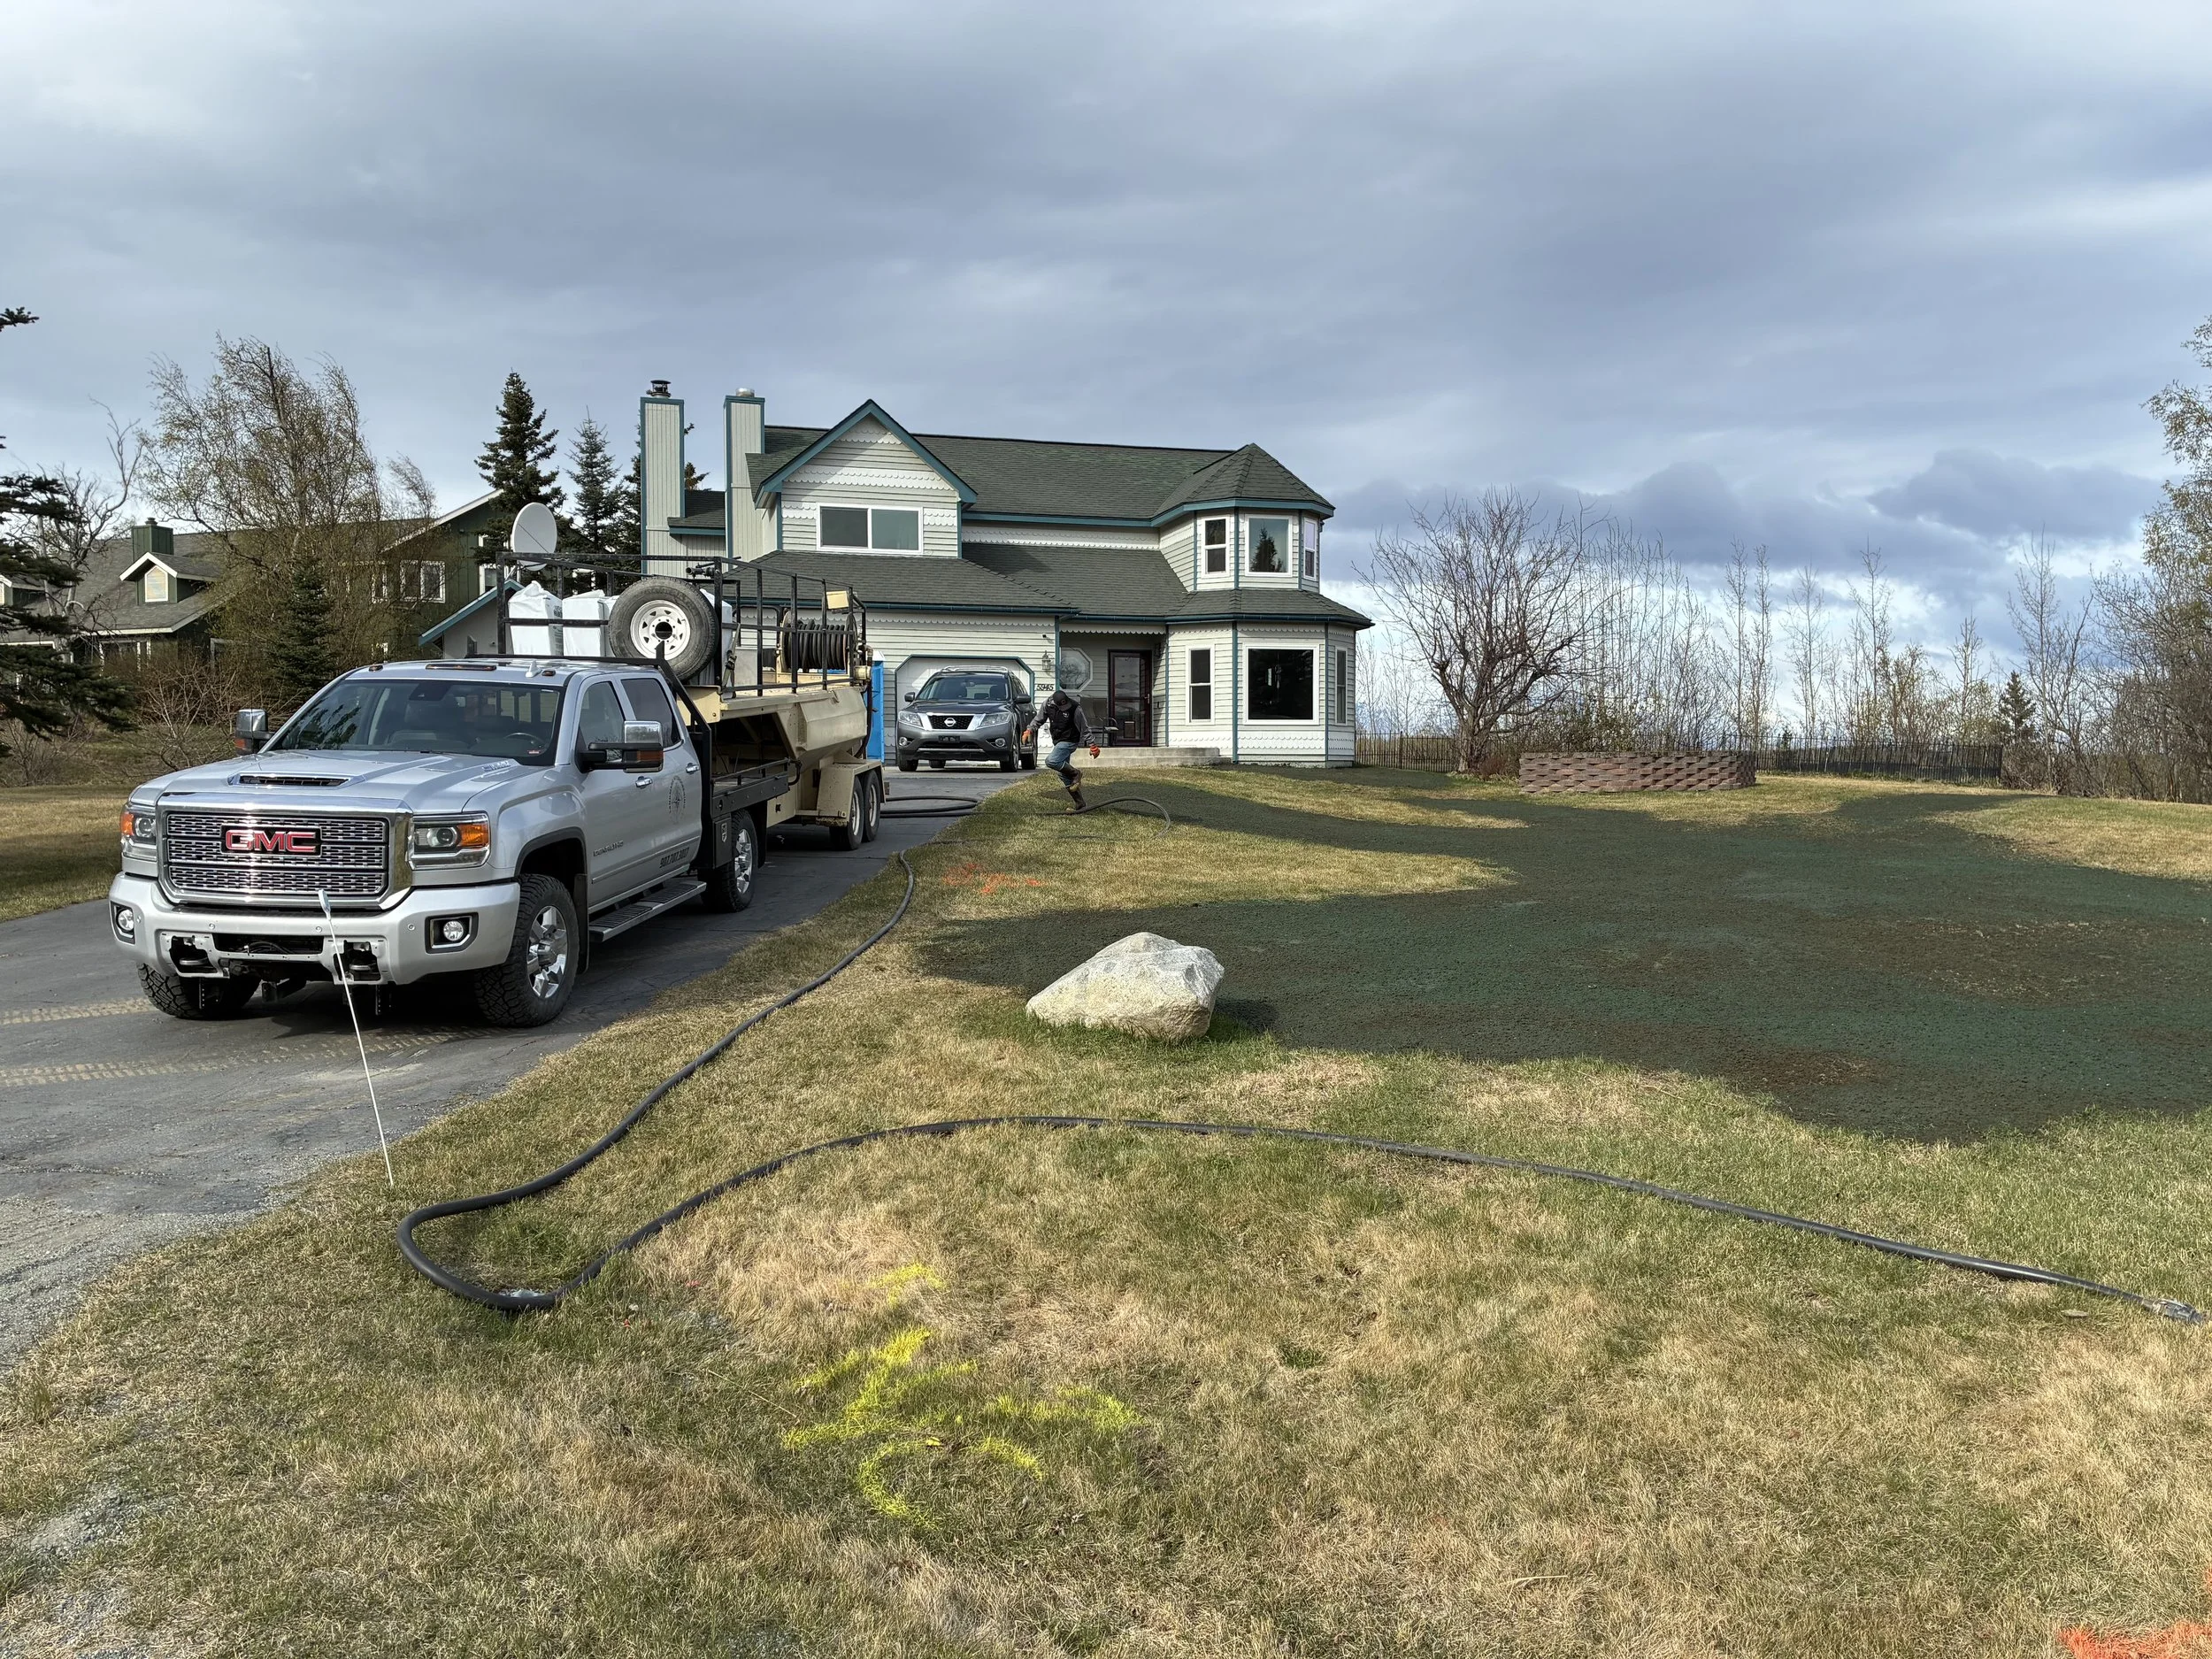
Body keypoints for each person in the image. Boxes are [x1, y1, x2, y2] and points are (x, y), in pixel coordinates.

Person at [1023, 687, 1101, 810]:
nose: (1065, 708)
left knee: (1051, 761)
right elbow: (1039, 720)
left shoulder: (1075, 707)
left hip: (1070, 740)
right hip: (1058, 740)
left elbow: (1084, 727)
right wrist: (1029, 730)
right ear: (1055, 703)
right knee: (1063, 774)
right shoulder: (1047, 705)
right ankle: (1080, 804)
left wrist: (1092, 745)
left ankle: (1076, 773)